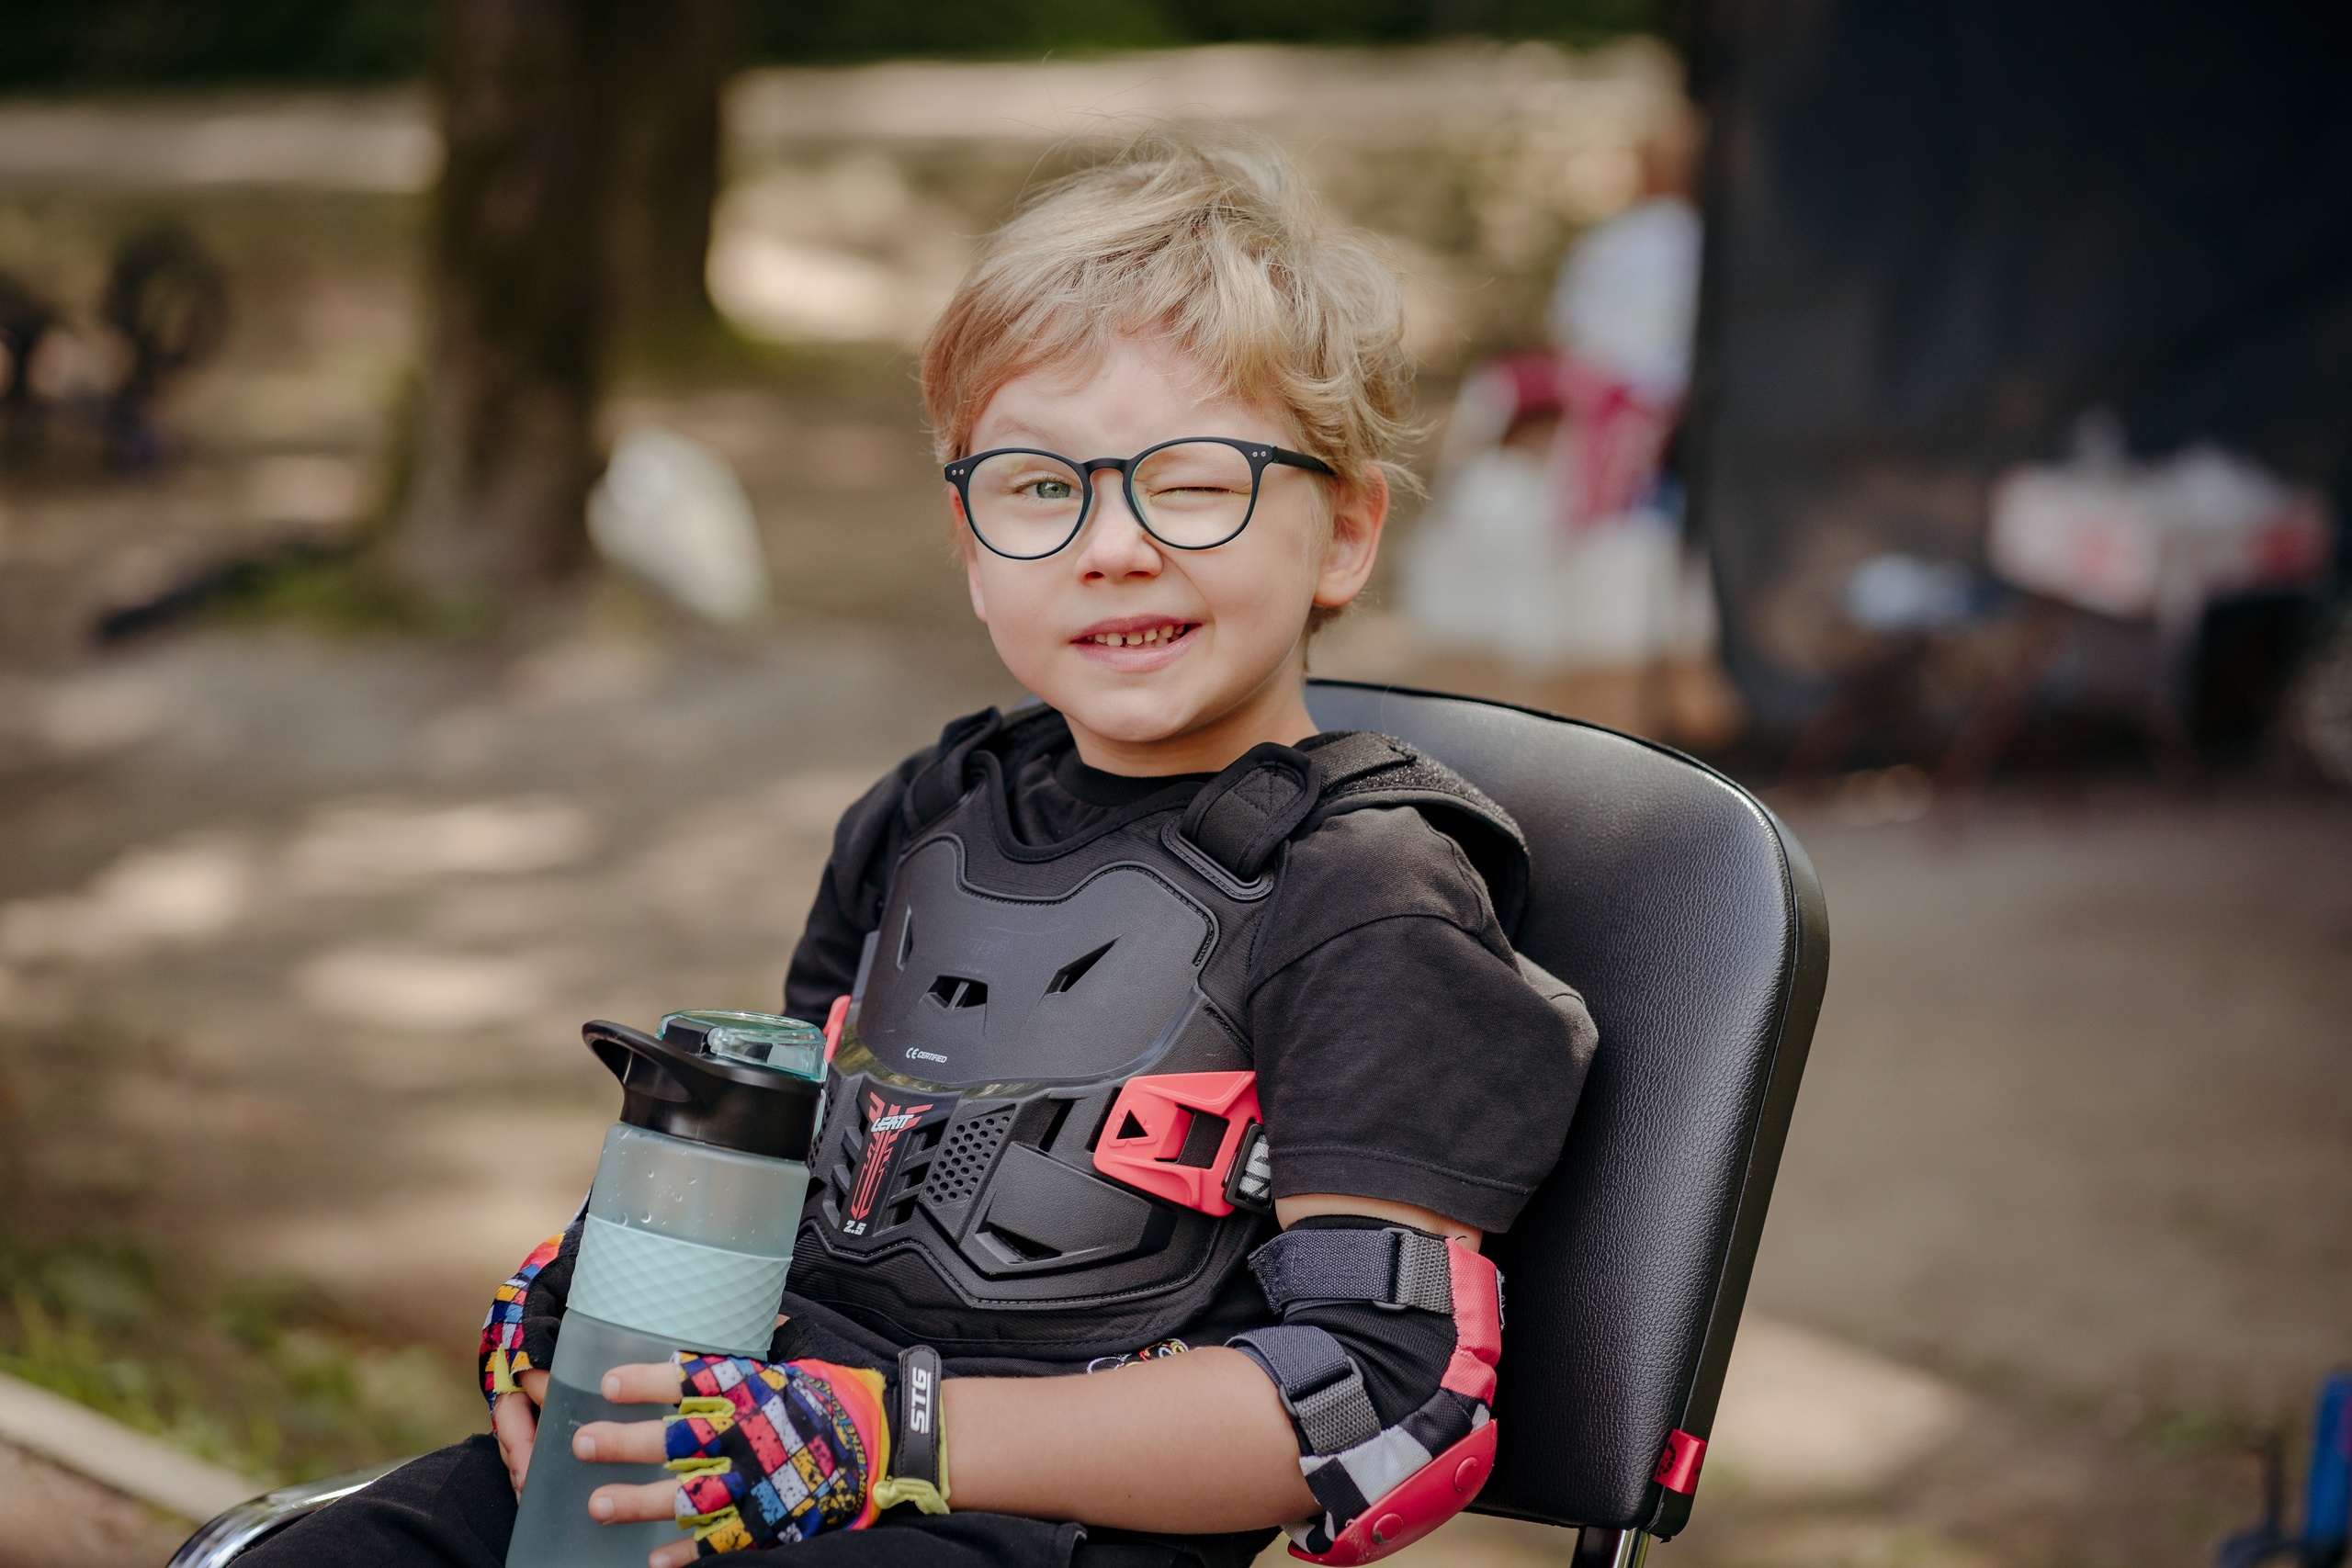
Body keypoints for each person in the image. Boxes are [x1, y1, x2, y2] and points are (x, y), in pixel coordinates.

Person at [245, 135, 1592, 1568]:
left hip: (1012, 1536)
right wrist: (592, 1288)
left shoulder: (1371, 893)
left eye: (1194, 483)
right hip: (732, 1475)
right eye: (1036, 486)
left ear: (1345, 533)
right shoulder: (926, 814)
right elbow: (776, 1163)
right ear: (968, 543)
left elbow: (1368, 1405)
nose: (1112, 547)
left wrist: (889, 1436)